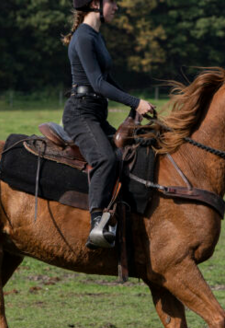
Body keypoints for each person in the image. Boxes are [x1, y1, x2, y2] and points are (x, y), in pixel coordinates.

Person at [61, 0, 156, 248]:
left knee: (128, 153)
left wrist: (134, 106)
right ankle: (96, 226)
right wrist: (135, 102)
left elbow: (109, 80)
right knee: (105, 159)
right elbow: (98, 83)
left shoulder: (95, 36)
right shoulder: (83, 37)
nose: (117, 7)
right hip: (80, 114)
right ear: (95, 4)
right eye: (112, 2)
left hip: (94, 113)